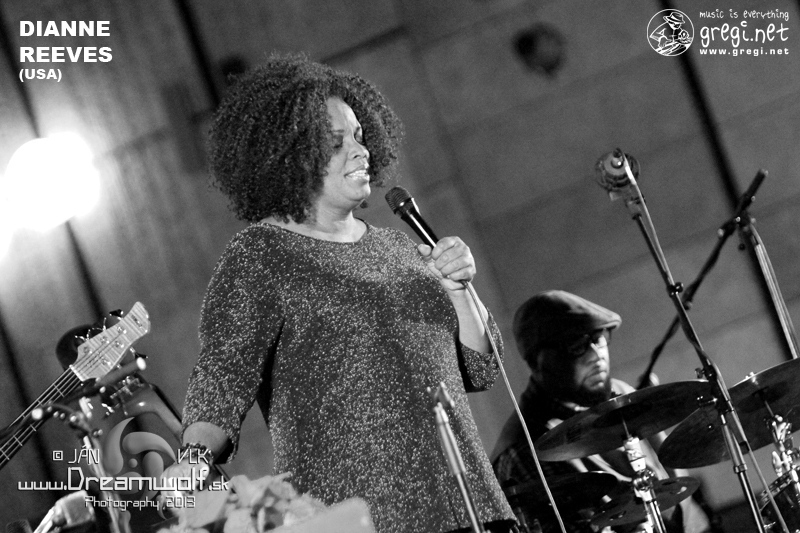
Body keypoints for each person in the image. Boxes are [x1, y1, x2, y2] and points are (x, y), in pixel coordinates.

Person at [165, 54, 516, 533]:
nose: (360, 150)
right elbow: (223, 375)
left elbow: (481, 368)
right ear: (288, 156)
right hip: (362, 517)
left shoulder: (399, 247)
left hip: (472, 504)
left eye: (359, 135)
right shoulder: (261, 254)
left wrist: (459, 292)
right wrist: (190, 464)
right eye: (336, 142)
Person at [491, 290, 711, 533]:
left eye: (599, 339)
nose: (596, 355)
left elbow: (676, 480)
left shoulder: (619, 394)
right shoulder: (524, 448)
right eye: (577, 345)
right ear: (537, 362)